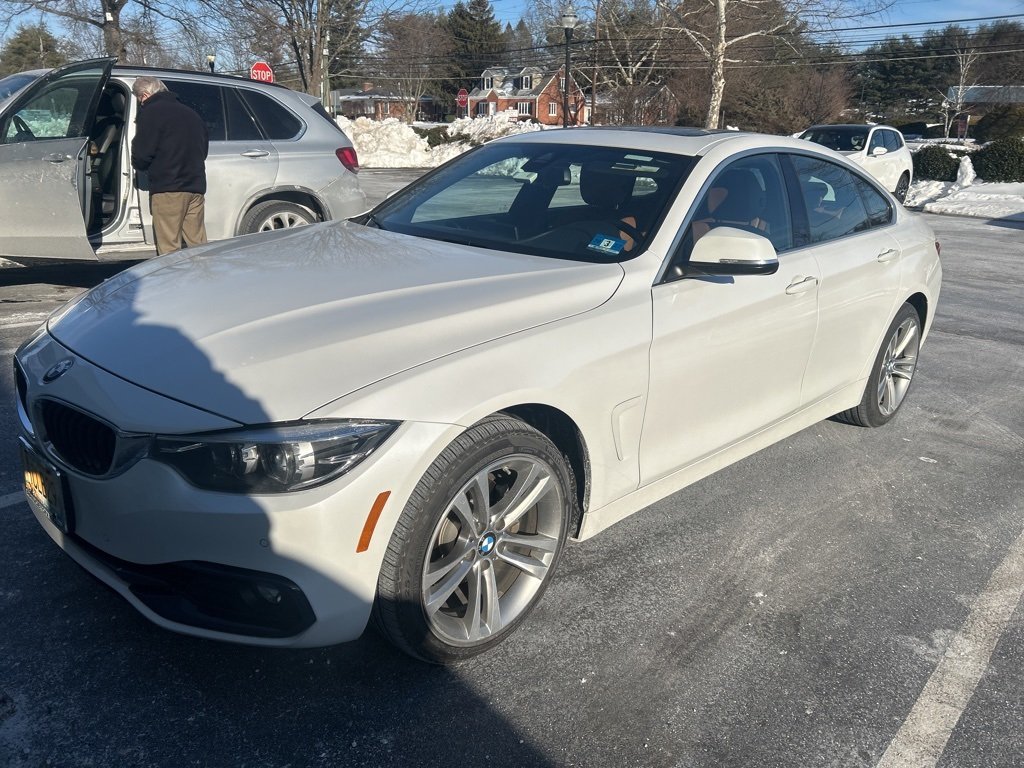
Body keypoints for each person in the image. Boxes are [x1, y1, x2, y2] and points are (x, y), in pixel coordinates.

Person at [130, 76, 209, 255]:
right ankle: (205, 279)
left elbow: (143, 153)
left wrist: (139, 165)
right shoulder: (191, 113)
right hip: (195, 187)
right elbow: (202, 150)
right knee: (199, 246)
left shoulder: (151, 113)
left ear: (145, 95)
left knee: (169, 248)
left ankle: (171, 283)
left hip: (168, 188)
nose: (140, 103)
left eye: (139, 99)